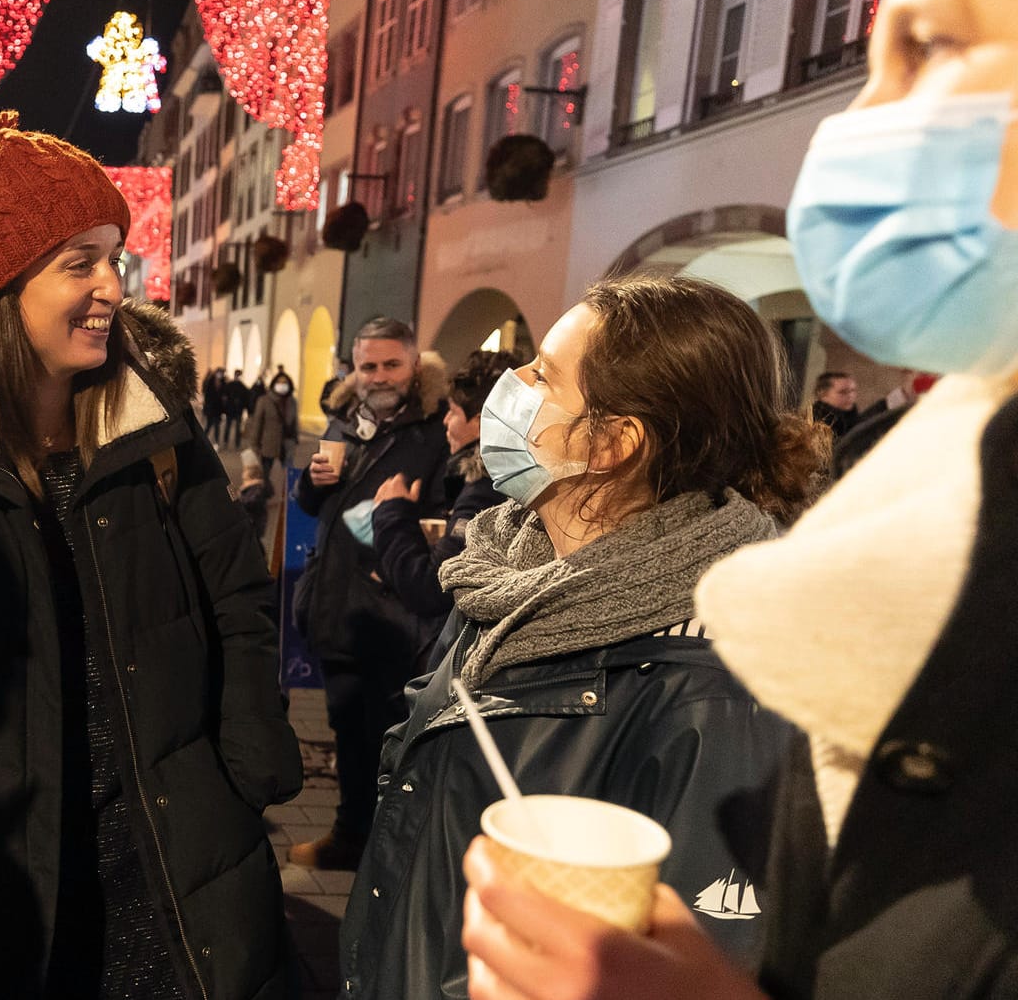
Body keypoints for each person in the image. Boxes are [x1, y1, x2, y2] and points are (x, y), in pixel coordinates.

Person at [464, 0, 1018, 997]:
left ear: (619, 437)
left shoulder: (720, 659)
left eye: (927, 46)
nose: (855, 124)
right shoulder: (936, 496)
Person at [0, 107, 302, 1000]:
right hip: (17, 878)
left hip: (175, 854)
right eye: (79, 262)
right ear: (2, 285)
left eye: (113, 258)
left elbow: (237, 596)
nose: (111, 286)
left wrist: (246, 761)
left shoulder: (159, 433)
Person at [340, 274, 817, 998]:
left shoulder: (716, 692)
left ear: (612, 442)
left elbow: (696, 957)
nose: (512, 382)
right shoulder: (505, 575)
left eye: (542, 375)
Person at [287, 317, 450, 871]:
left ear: (413, 365)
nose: (378, 377)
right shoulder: (342, 422)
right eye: (367, 366)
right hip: (338, 605)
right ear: (353, 369)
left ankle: (390, 853)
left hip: (394, 612)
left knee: (391, 739)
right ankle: (350, 835)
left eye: (391, 365)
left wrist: (398, 518)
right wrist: (312, 482)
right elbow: (311, 506)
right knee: (345, 729)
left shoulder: (434, 433)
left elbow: (445, 524)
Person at [348, 350, 517, 648]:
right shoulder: (495, 480)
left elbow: (430, 588)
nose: (446, 421)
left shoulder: (485, 490)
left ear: (480, 423)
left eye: (453, 412)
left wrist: (392, 511)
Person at [243, 368, 300, 477]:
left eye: (285, 383)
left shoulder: (292, 402)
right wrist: (254, 444)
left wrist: (295, 438)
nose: (282, 385)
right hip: (268, 443)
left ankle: (287, 492)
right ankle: (265, 490)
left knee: (289, 473)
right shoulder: (264, 400)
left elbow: (294, 422)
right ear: (274, 384)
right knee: (265, 473)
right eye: (279, 382)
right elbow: (257, 424)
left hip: (287, 443)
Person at [810, 371, 861, 439]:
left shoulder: (855, 419)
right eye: (843, 392)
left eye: (852, 390)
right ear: (823, 394)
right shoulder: (814, 422)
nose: (850, 396)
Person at [223, 368, 251, 448]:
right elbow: (225, 397)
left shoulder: (240, 386)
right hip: (233, 410)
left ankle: (233, 443)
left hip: (236, 410)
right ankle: (231, 443)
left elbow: (246, 398)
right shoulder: (233, 385)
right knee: (230, 427)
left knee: (235, 427)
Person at [202, 365, 228, 440]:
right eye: (219, 373)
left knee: (217, 426)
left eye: (222, 373)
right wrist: (206, 406)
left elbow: (224, 396)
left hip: (218, 409)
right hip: (211, 408)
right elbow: (207, 395)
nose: (220, 375)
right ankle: (204, 440)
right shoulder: (210, 382)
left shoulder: (224, 383)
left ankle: (216, 443)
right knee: (209, 425)